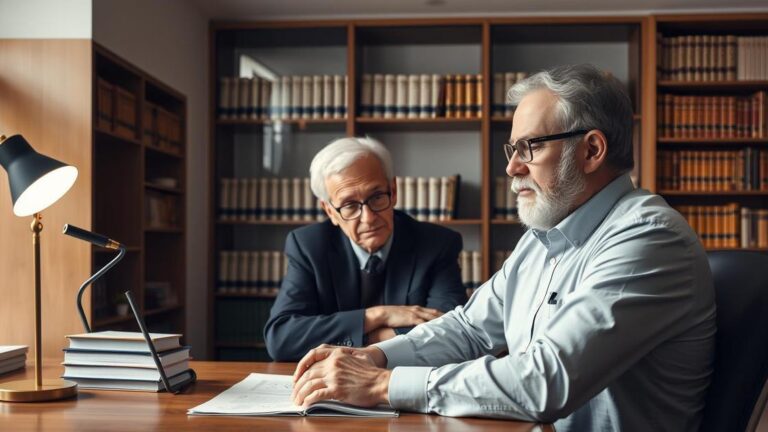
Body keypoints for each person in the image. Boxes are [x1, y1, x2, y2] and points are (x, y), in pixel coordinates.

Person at [289, 64, 717, 432]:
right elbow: (469, 329)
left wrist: (382, 385)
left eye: (529, 147)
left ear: (591, 150)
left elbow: (544, 382)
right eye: (512, 149)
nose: (512, 167)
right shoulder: (543, 238)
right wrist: (373, 357)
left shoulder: (648, 238)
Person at [264, 137, 467, 361]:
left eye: (377, 197)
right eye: (350, 205)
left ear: (393, 191)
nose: (368, 218)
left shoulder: (437, 244)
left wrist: (365, 338)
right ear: (330, 211)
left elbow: (450, 332)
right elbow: (281, 339)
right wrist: (378, 316)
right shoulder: (309, 247)